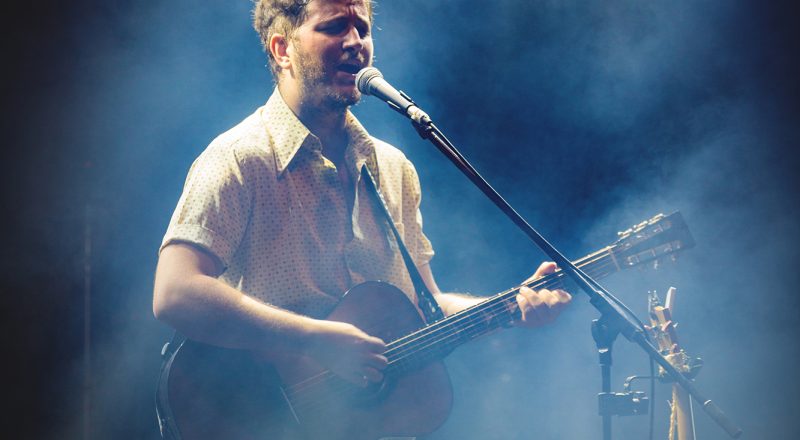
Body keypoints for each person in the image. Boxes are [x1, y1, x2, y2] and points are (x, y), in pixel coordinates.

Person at [153, 0, 571, 436]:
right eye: (335, 26)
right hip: (263, 420)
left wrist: (512, 306)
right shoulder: (239, 159)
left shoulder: (393, 168)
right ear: (282, 49)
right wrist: (313, 338)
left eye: (363, 29)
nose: (355, 42)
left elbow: (425, 305)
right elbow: (175, 292)